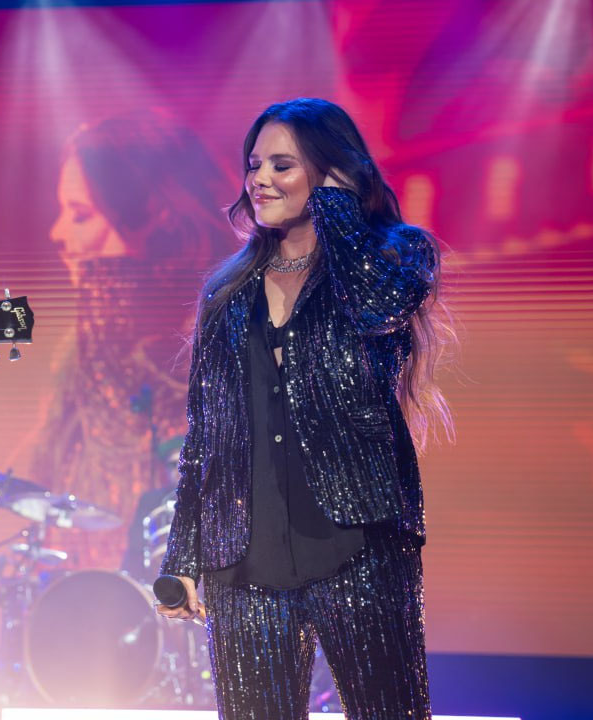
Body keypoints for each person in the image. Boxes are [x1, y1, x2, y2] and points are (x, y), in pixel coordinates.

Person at [156, 98, 454, 720]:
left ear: (332, 174)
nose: (259, 179)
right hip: (244, 561)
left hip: (359, 547)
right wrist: (184, 557)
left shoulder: (395, 257)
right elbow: (205, 438)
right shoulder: (228, 292)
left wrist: (339, 211)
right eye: (254, 164)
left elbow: (376, 310)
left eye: (283, 166)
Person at [34, 108, 230, 569]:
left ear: (158, 224)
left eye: (80, 215)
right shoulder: (77, 353)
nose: (57, 234)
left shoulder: (223, 342)